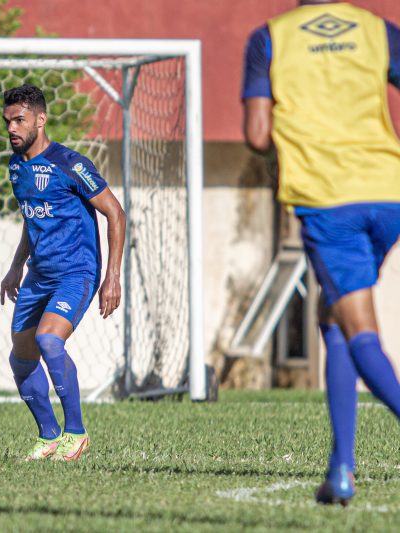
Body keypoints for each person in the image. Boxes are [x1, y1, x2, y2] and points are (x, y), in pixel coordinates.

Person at [242, 0, 400, 505]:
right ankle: (340, 470)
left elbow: (257, 134)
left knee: (359, 332)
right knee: (333, 320)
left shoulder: (271, 37)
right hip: (388, 194)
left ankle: (344, 468)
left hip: (330, 203)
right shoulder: (379, 30)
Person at [0, 84, 125, 461]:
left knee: (49, 341)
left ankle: (76, 432)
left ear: (41, 119)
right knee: (20, 358)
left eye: (19, 120)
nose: (12, 129)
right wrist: (15, 266)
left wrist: (112, 276)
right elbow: (32, 219)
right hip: (38, 275)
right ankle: (48, 436)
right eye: (7, 122)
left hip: (77, 272)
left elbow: (116, 214)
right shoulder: (16, 167)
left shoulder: (72, 164)